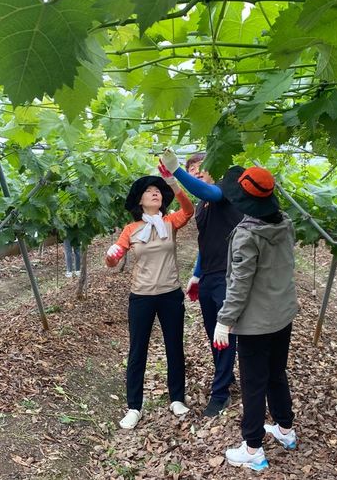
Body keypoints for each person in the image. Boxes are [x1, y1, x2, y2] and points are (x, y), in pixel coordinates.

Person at [212, 166, 298, 471]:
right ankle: (285, 430)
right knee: (276, 372)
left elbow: (239, 283)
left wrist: (224, 321)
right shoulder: (284, 224)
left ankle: (252, 448)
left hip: (257, 323)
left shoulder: (248, 234)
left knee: (253, 382)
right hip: (282, 314)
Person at [105, 164, 195, 430]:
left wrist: (174, 183)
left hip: (170, 294)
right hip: (141, 296)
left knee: (174, 346)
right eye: (149, 191)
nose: (155, 193)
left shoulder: (170, 222)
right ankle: (134, 406)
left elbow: (188, 211)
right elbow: (114, 259)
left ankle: (177, 398)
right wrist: (110, 256)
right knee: (137, 351)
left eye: (158, 191)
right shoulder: (130, 230)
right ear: (140, 200)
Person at [159, 149, 243, 417]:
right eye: (191, 168)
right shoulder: (202, 206)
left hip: (228, 276)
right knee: (213, 333)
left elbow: (209, 192)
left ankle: (220, 395)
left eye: (200, 168)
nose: (196, 171)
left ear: (213, 170)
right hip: (209, 275)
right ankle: (226, 377)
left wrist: (178, 172)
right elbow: (204, 243)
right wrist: (196, 274)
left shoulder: (222, 192)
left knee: (225, 334)